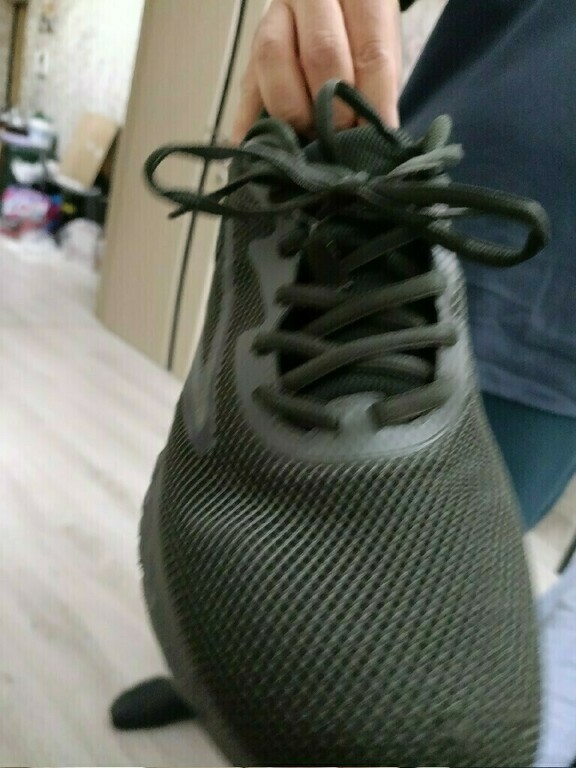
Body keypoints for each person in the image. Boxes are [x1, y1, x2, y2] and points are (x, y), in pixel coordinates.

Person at [112, 1, 576, 765]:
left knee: (427, 636)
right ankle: (215, 671)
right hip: (418, 193)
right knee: (281, 636)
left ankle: (273, 670)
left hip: (561, 337)